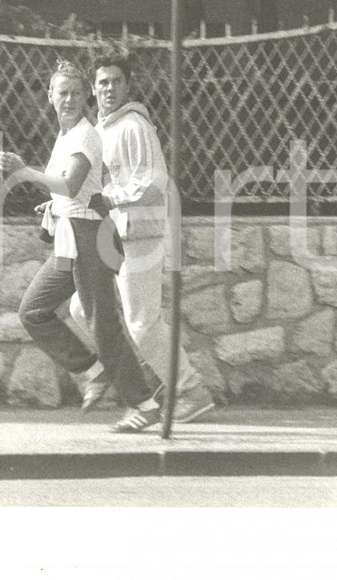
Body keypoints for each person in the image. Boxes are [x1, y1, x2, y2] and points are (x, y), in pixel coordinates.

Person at [0, 60, 162, 433]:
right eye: (62, 92)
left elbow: (71, 184)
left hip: (91, 237)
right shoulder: (65, 136)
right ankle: (93, 368)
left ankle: (144, 403)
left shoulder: (86, 135)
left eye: (75, 93)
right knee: (33, 310)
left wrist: (24, 172)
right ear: (50, 96)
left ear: (85, 96)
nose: (69, 99)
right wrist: (53, 205)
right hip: (70, 235)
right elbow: (71, 192)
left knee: (103, 324)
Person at [71, 50, 216, 423]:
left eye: (117, 81)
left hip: (140, 233)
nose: (110, 88)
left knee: (142, 322)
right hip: (113, 236)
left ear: (127, 85)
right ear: (93, 88)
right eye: (103, 82)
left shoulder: (134, 125)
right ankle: (143, 377)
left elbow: (154, 183)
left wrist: (107, 198)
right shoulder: (101, 130)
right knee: (81, 307)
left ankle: (190, 390)